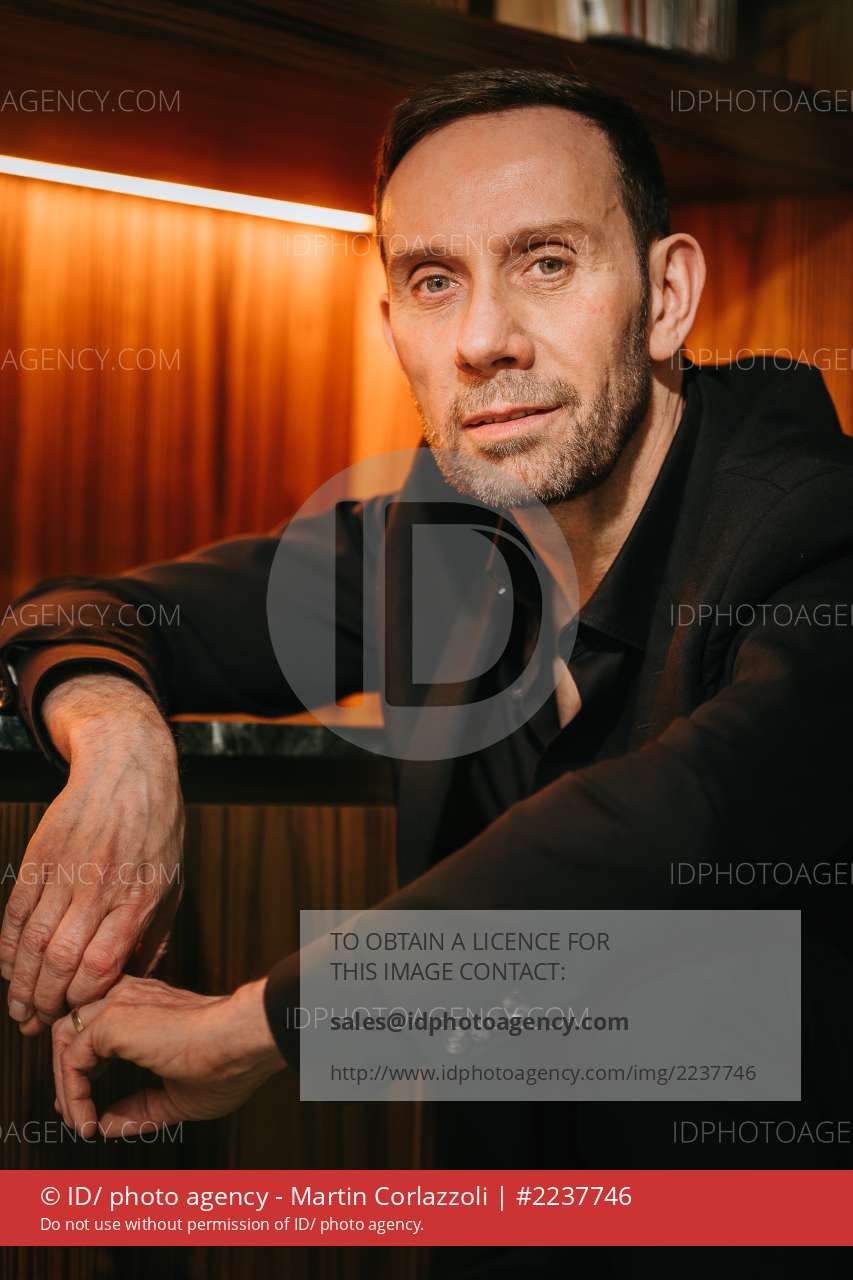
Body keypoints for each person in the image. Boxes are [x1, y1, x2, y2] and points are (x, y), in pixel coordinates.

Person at [2, 67, 853, 1275]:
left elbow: (669, 825)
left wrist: (261, 1023)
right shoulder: (448, 538)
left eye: (545, 262)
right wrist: (121, 744)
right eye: (433, 280)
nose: (482, 338)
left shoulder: (816, 525)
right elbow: (93, 611)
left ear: (665, 296)